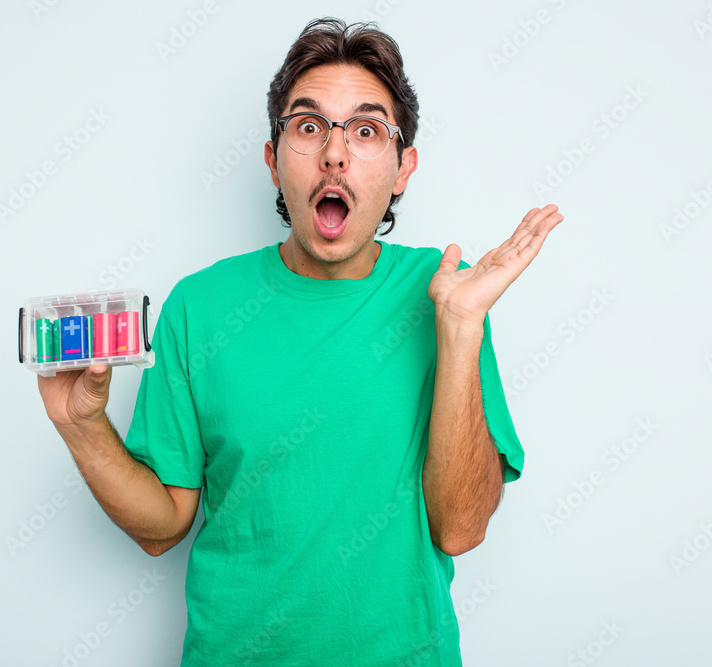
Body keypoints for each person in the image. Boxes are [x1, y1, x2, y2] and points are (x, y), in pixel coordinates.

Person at [37, 17, 563, 666]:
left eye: (367, 130)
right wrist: (82, 426)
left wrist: (459, 331)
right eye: (309, 127)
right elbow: (162, 526)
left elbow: (461, 527)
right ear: (272, 158)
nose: (335, 153)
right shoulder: (199, 308)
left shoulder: (448, 294)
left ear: (403, 169)